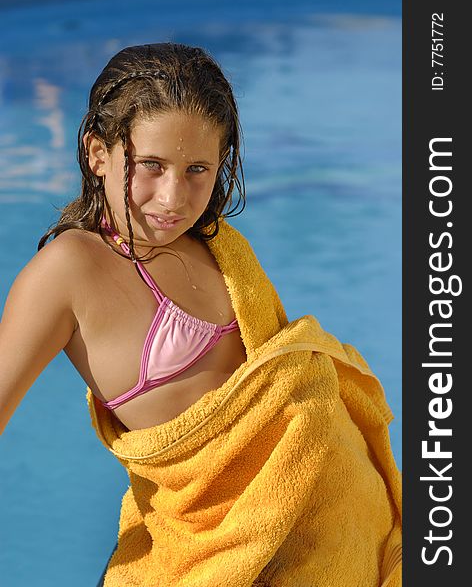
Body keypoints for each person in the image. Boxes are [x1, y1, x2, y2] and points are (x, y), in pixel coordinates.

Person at [0, 43, 402, 587]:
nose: (173, 197)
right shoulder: (69, 270)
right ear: (99, 153)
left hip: (344, 523)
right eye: (151, 165)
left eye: (197, 169)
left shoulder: (215, 244)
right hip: (224, 553)